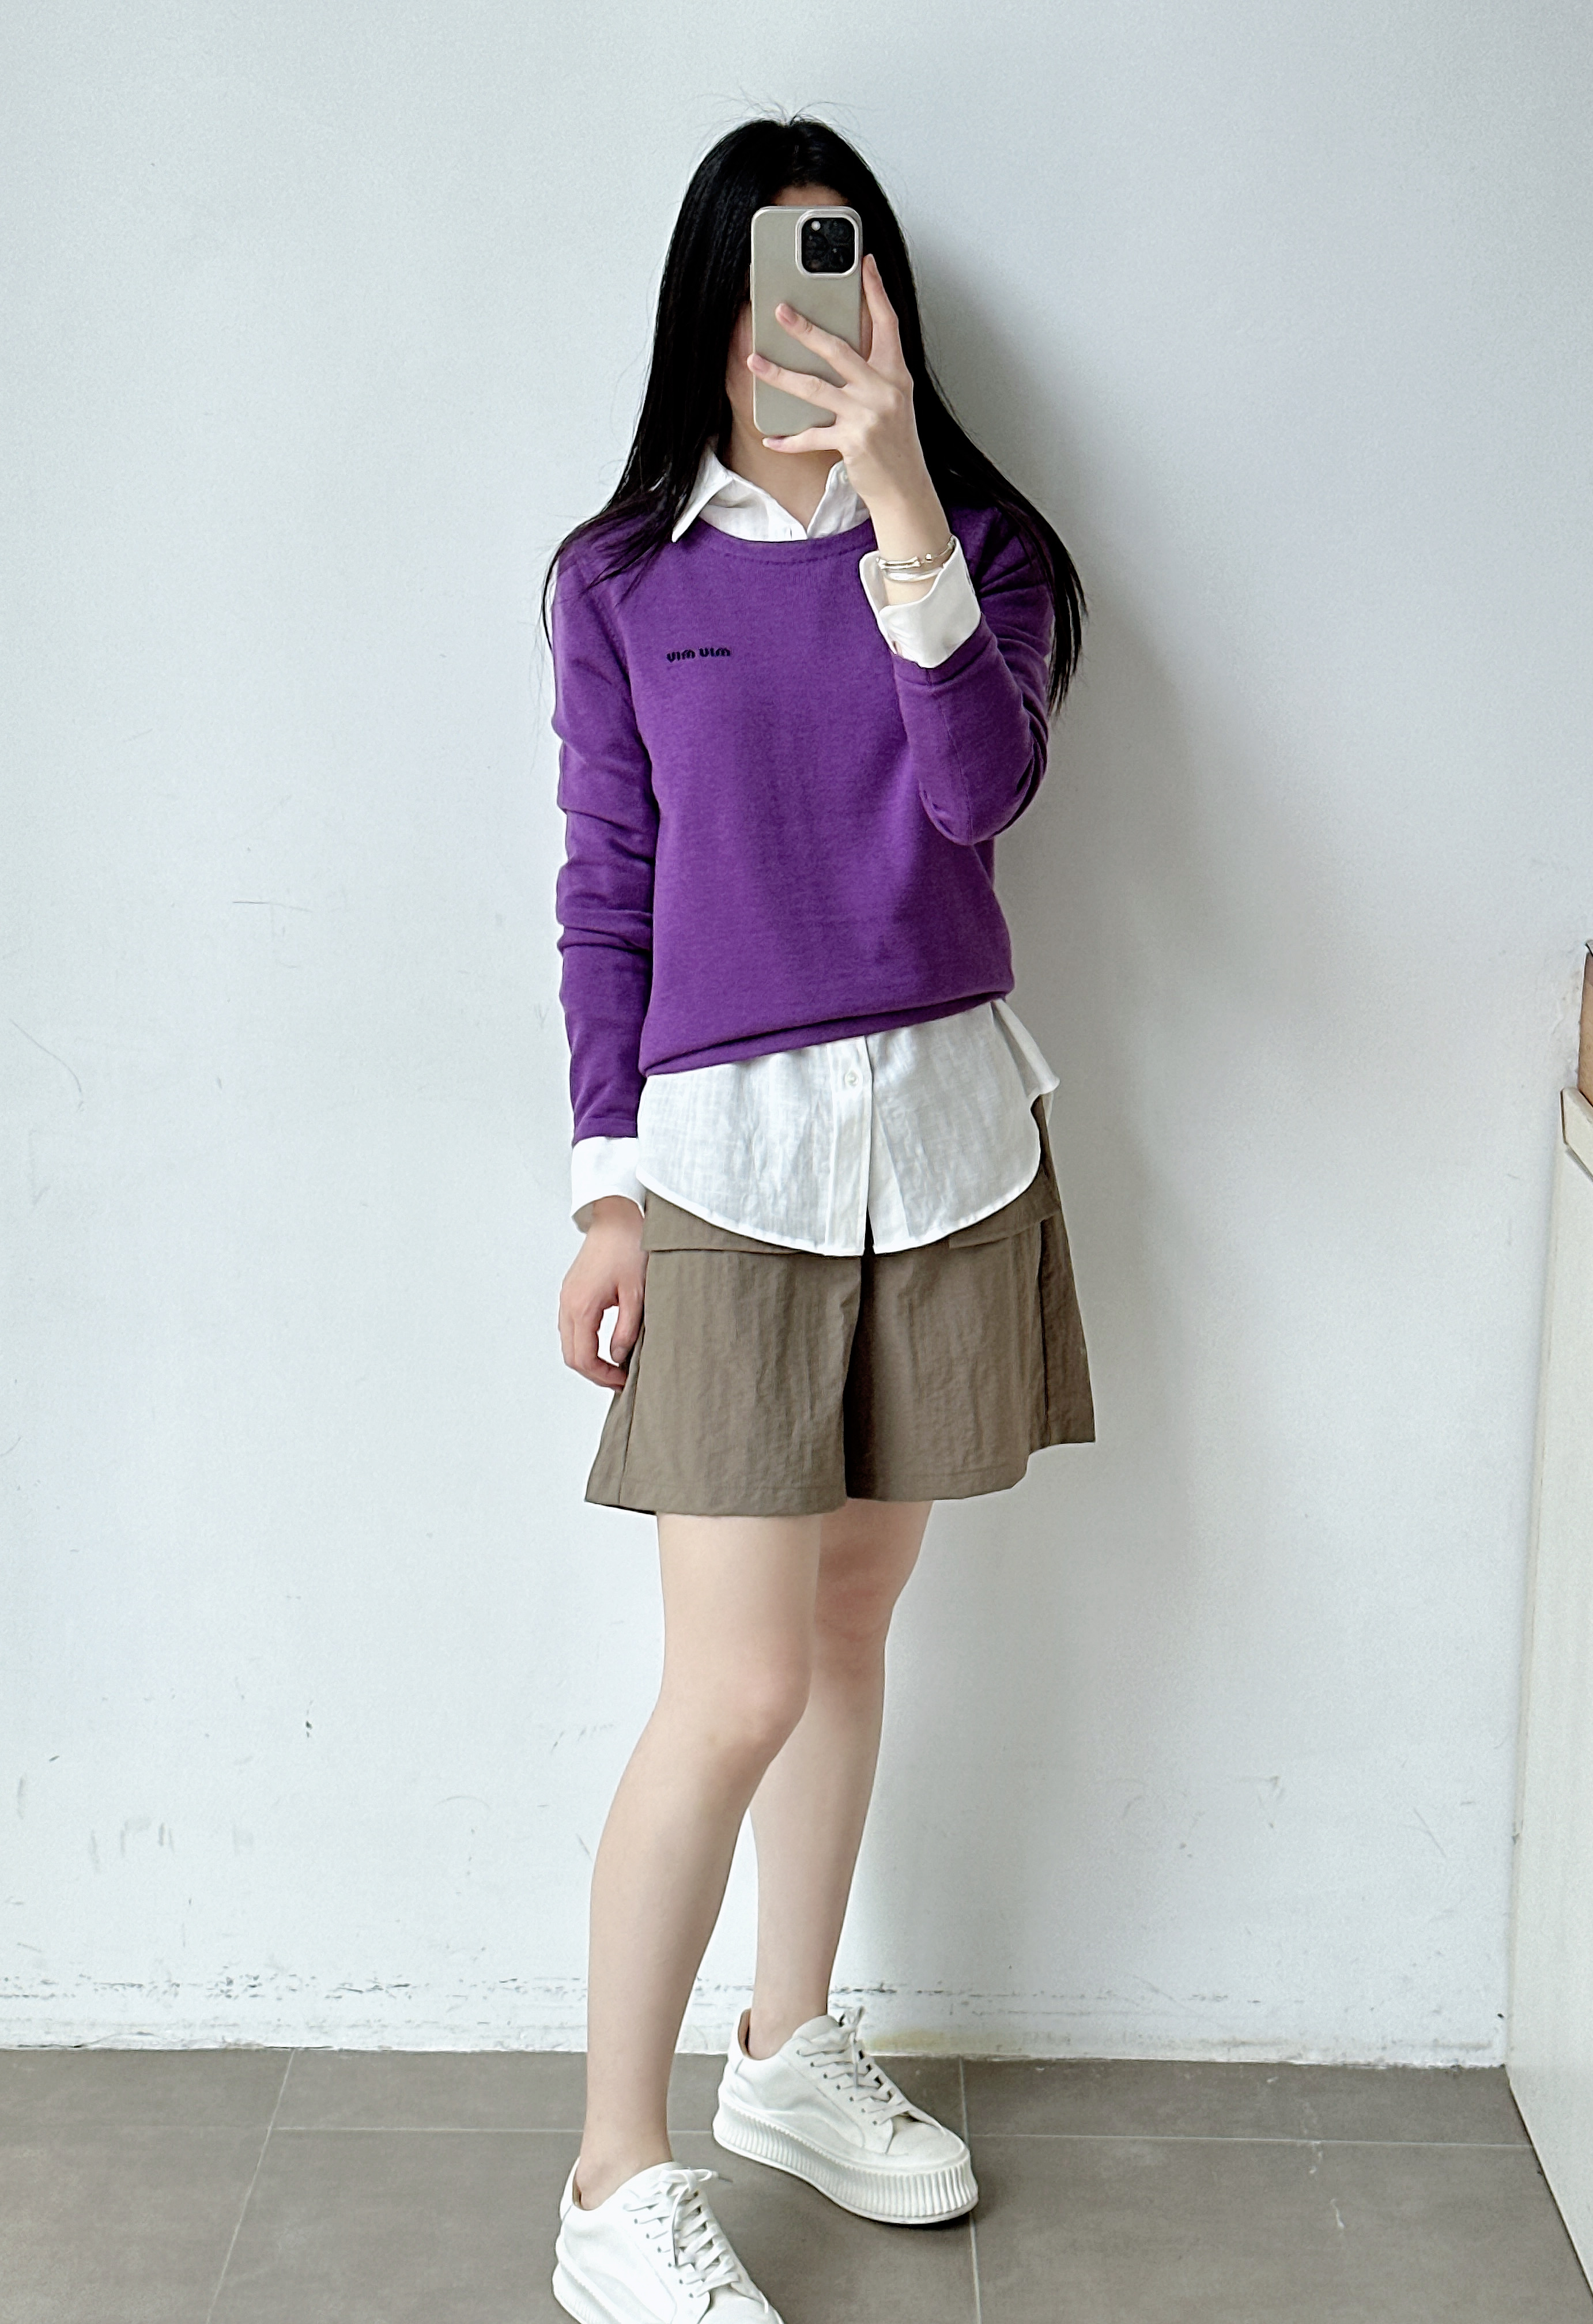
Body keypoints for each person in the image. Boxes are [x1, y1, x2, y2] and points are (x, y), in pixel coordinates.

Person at [544, 114, 1094, 2324]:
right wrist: (604, 1195)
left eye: (841, 275)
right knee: (735, 1682)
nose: (809, 318)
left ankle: (785, 2051)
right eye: (778, 277)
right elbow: (609, 889)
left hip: (944, 1152)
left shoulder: (986, 550)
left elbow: (977, 794)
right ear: (718, 304)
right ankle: (612, 2179)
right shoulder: (619, 580)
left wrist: (902, 512)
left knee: (853, 1631)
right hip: (730, 1177)